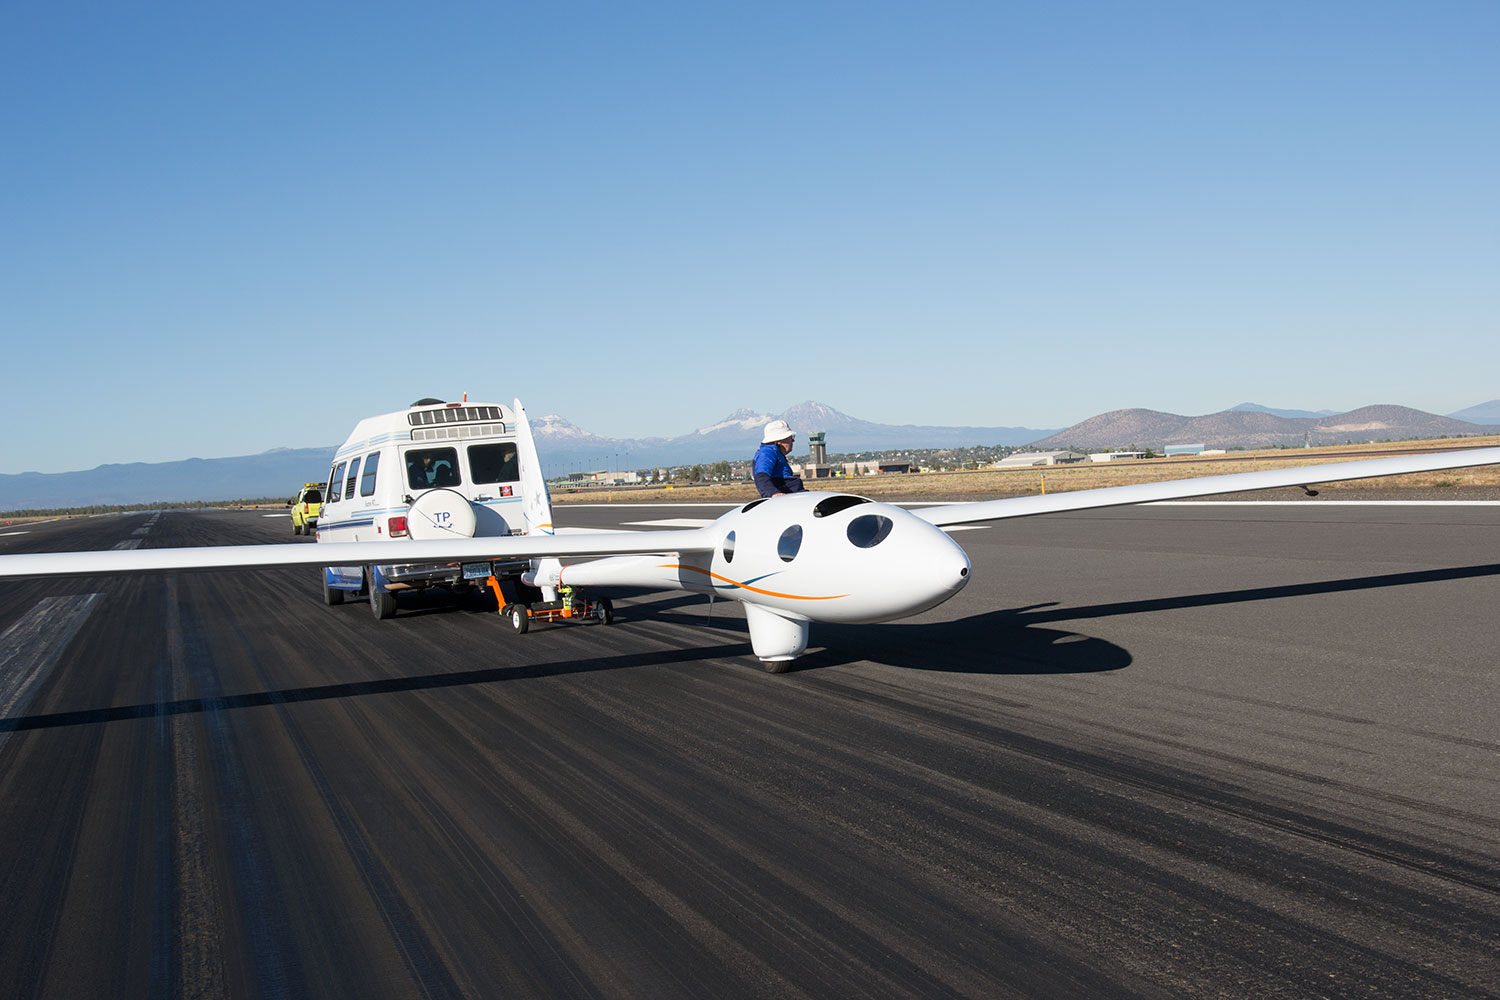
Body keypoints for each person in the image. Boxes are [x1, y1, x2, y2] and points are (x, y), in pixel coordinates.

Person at [753, 420, 807, 498]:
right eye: (790, 438)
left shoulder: (775, 453)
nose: (793, 441)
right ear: (780, 440)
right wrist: (773, 493)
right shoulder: (767, 453)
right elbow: (761, 476)